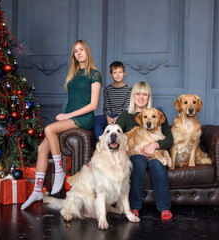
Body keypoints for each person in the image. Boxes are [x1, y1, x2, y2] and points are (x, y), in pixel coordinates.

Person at [21, 40, 102, 210]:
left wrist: (67, 116)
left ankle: (59, 170)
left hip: (83, 117)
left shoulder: (94, 74)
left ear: (87, 52)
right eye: (75, 51)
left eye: (81, 50)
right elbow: (73, 100)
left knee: (48, 128)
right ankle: (37, 190)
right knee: (41, 149)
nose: (79, 53)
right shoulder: (73, 75)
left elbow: (93, 105)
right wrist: (64, 118)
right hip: (68, 116)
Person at [115, 81, 173, 221]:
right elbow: (114, 135)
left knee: (158, 165)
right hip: (135, 154)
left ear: (149, 97)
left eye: (144, 94)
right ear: (133, 96)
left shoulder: (158, 114)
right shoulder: (126, 115)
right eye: (137, 94)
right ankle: (134, 207)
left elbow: (169, 140)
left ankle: (164, 208)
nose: (141, 97)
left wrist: (154, 145)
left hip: (154, 153)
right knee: (138, 163)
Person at [93, 61, 132, 142]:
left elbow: (127, 108)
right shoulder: (107, 89)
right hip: (110, 116)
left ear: (124, 73)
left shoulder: (129, 89)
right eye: (115, 72)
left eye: (120, 72)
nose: (118, 74)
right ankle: (101, 143)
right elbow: (106, 106)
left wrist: (119, 118)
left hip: (122, 116)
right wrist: (108, 118)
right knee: (96, 120)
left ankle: (122, 145)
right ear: (111, 74)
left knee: (129, 123)